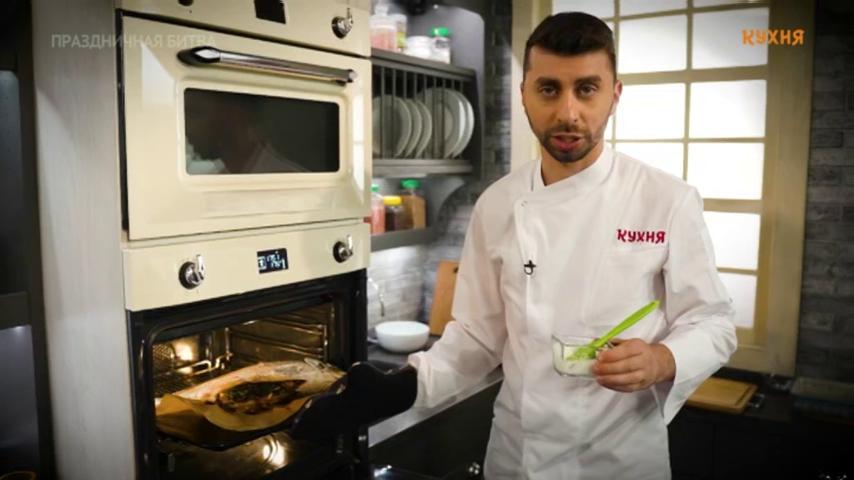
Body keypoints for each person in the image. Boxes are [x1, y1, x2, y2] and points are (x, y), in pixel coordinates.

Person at [406, 12, 737, 479]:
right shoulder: (497, 204)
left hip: (620, 462)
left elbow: (714, 322)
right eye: (548, 89)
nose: (567, 112)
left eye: (586, 89)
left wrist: (664, 359)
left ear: (614, 95)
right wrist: (405, 385)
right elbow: (478, 337)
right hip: (518, 457)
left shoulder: (666, 199)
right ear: (524, 92)